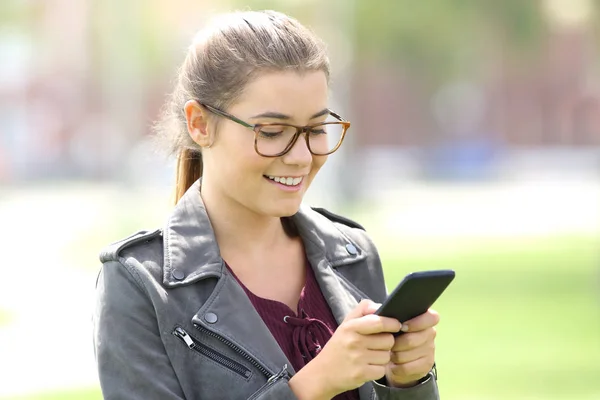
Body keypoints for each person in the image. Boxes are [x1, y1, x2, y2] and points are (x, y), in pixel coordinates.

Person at [93, 10, 441, 400]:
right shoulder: (139, 284)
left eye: (314, 130)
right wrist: (313, 385)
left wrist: (408, 381)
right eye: (273, 132)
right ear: (200, 124)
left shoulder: (352, 253)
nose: (301, 157)